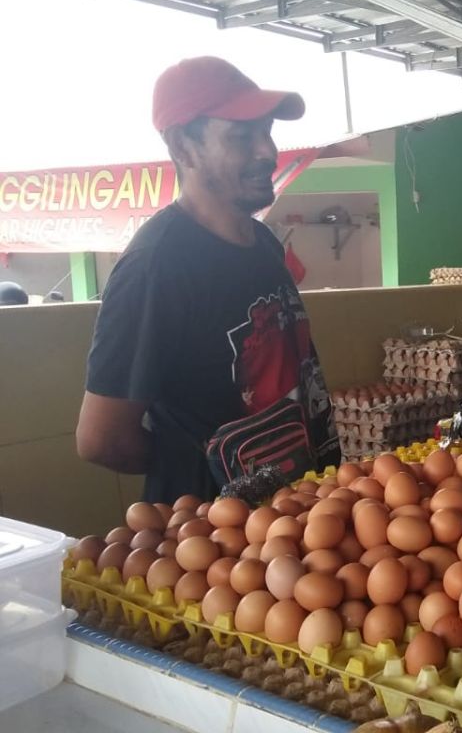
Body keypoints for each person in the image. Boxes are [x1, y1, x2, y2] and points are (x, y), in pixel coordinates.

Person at [76, 57, 340, 504]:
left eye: (267, 130)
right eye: (241, 136)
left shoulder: (262, 243)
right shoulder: (156, 266)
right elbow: (101, 439)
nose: (266, 150)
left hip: (299, 517)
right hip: (221, 544)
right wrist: (198, 471)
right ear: (183, 146)